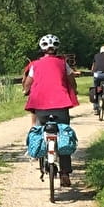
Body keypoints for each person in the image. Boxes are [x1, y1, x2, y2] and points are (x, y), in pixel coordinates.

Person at [23, 34, 79, 186]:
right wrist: (74, 89)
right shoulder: (63, 63)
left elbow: (28, 83)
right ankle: (65, 173)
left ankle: (40, 156)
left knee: (40, 130)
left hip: (40, 106)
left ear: (42, 49)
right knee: (63, 133)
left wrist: (26, 90)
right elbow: (71, 79)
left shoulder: (35, 65)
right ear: (56, 49)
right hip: (61, 105)